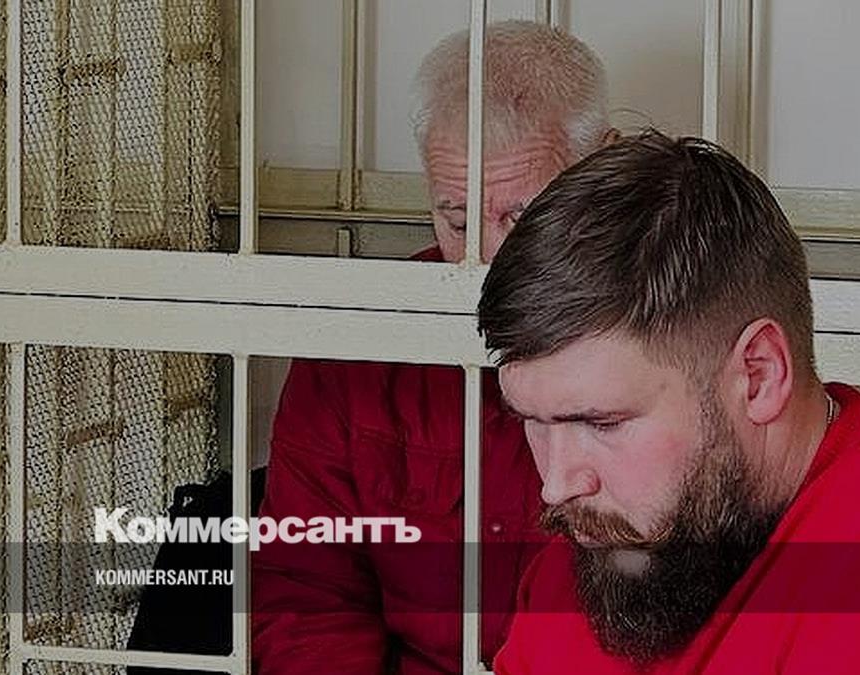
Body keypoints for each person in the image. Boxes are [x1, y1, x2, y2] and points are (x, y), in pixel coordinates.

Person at [478, 131, 860, 674]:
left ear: (758, 376)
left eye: (602, 423)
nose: (556, 485)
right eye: (534, 421)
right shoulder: (611, 543)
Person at [252, 21, 616, 674]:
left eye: (522, 218)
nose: (485, 263)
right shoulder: (355, 355)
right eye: (456, 218)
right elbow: (306, 593)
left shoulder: (668, 341)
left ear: (604, 172)